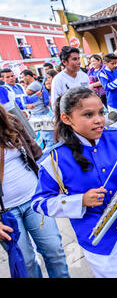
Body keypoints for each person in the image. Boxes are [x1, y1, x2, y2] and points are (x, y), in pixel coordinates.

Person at [31, 87, 117, 278]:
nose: (99, 120)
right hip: (99, 238)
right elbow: (39, 202)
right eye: (88, 114)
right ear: (67, 119)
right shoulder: (54, 159)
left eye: (101, 112)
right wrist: (80, 200)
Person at [0, 104, 69, 278]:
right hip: (5, 214)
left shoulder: (11, 121)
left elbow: (37, 154)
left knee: (55, 251)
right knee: (27, 262)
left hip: (34, 200)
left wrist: (53, 183)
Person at [21, 70, 53, 148]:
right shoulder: (35, 84)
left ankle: (51, 153)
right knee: (43, 135)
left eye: (23, 77)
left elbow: (24, 95)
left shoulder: (34, 85)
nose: (22, 79)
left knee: (47, 136)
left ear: (28, 76)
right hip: (38, 112)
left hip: (40, 113)